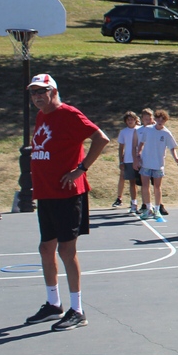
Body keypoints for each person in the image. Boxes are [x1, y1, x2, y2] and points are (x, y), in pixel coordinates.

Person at [23, 73, 110, 332]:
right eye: (33, 92)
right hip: (47, 193)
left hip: (68, 194)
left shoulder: (70, 114)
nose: (37, 96)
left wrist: (80, 169)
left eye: (42, 91)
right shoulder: (42, 116)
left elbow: (101, 138)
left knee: (66, 251)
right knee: (45, 248)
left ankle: (78, 310)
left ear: (53, 91)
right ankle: (53, 304)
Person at [134, 109, 178, 222]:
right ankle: (148, 208)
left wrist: (176, 158)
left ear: (165, 121)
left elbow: (172, 148)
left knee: (157, 187)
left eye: (163, 119)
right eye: (158, 119)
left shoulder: (166, 133)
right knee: (145, 186)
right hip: (146, 163)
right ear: (154, 119)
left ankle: (157, 209)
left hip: (158, 164)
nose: (160, 121)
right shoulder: (148, 130)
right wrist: (138, 154)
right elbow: (141, 143)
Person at [115, 111, 140, 213]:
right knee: (132, 182)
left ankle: (146, 204)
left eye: (132, 119)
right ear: (126, 121)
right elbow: (121, 148)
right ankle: (134, 203)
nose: (130, 121)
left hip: (140, 159)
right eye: (128, 120)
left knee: (144, 182)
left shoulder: (140, 130)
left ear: (135, 120)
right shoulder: (123, 132)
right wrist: (121, 161)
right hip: (128, 160)